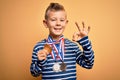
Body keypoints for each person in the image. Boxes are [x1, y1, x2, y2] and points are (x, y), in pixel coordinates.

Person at [30, 2, 94, 80]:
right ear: (46, 23)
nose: (58, 23)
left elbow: (88, 64)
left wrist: (85, 42)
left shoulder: (73, 46)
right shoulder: (39, 47)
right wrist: (40, 62)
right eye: (53, 20)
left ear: (66, 23)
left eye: (62, 20)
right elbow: (34, 73)